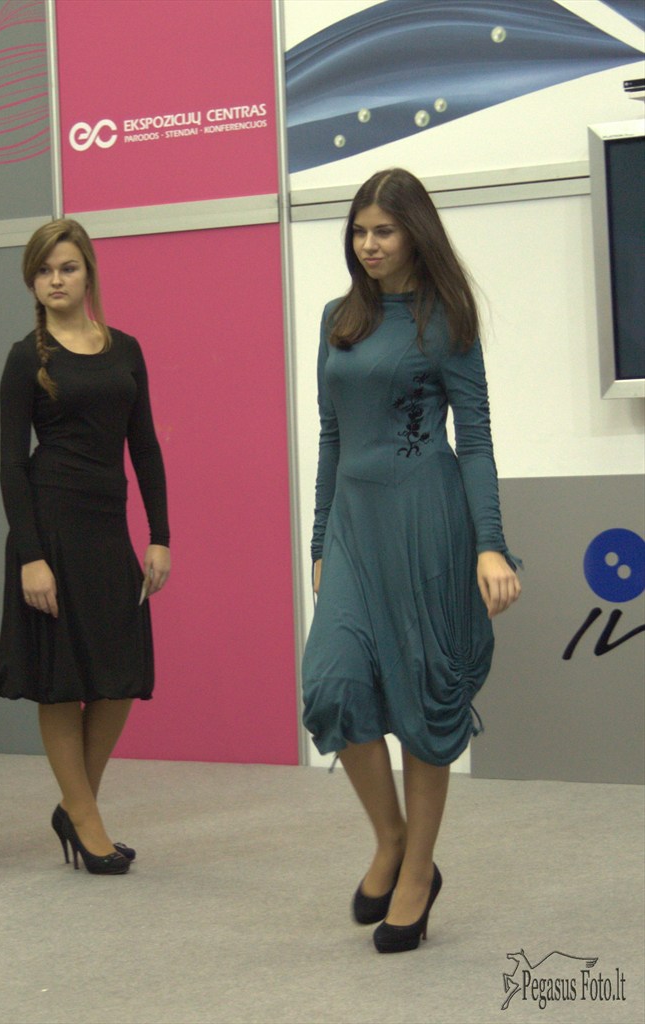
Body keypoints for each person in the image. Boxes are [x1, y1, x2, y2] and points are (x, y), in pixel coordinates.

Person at [302, 168, 521, 953]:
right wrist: (319, 540)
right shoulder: (337, 318)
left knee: (425, 700)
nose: (367, 245)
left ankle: (418, 871)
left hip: (428, 523)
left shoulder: (445, 318)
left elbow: (477, 439)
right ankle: (389, 838)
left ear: (413, 234)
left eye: (383, 231)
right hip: (354, 529)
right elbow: (331, 435)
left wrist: (489, 543)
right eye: (358, 231)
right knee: (331, 686)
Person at [0, 219, 170, 875]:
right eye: (44, 271)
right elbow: (11, 465)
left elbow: (144, 446)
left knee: (119, 674)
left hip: (107, 526)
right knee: (61, 682)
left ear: (88, 272)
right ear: (32, 282)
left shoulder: (126, 349)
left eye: (67, 267)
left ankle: (76, 805)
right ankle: (88, 821)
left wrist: (160, 535)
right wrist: (30, 556)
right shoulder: (26, 358)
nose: (56, 280)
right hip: (50, 526)